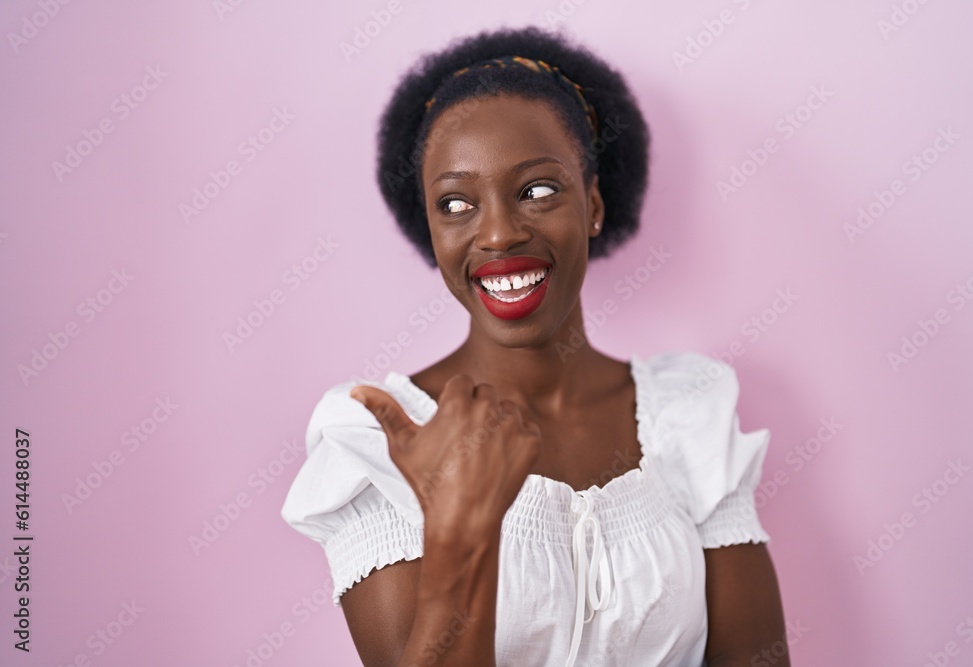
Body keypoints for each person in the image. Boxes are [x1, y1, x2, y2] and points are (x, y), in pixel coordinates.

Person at [280, 25, 789, 667]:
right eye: (456, 203)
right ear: (430, 227)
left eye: (537, 190)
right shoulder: (377, 440)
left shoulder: (691, 412)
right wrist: (461, 527)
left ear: (594, 203)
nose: (497, 233)